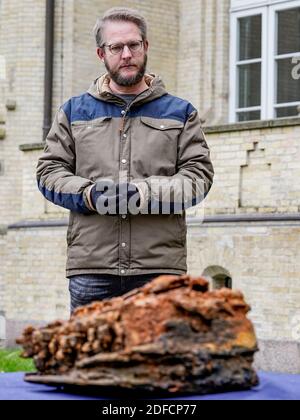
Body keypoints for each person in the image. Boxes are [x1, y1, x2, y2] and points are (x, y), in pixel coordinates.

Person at [36, 7, 214, 313]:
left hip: (158, 270)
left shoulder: (181, 112)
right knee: (89, 359)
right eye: (116, 47)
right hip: (92, 268)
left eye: (133, 45)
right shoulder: (74, 111)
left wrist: (144, 194)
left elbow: (198, 178)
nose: (126, 54)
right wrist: (89, 194)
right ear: (101, 53)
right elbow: (49, 172)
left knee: (157, 358)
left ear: (145, 47)